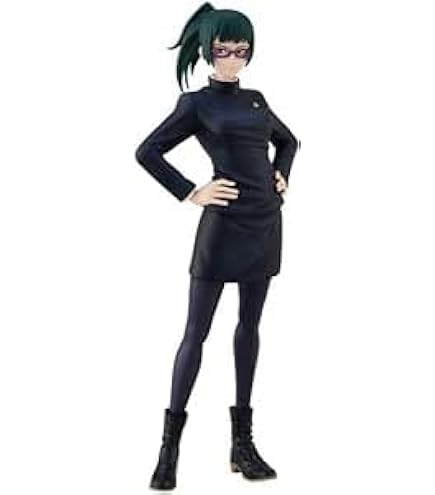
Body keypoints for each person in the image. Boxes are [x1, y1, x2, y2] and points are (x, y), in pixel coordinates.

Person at [134, 2, 301, 490]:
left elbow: (289, 141)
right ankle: (169, 450)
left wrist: (282, 174)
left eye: (240, 50)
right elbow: (147, 151)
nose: (231, 59)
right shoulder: (196, 104)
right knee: (196, 332)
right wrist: (191, 191)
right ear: (207, 51)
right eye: (223, 50)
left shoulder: (256, 100)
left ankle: (241, 445)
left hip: (265, 222)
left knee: (250, 328)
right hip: (222, 226)